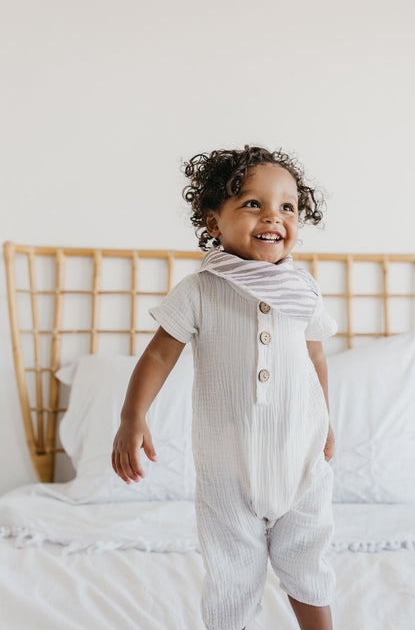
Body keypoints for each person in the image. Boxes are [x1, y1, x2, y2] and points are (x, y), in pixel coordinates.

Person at [112, 145, 338, 630]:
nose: (273, 216)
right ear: (214, 223)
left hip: (300, 457)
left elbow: (315, 356)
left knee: (308, 558)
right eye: (252, 203)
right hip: (226, 468)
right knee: (231, 573)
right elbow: (157, 354)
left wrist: (327, 424)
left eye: (288, 207)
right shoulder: (201, 289)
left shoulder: (304, 290)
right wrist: (134, 417)